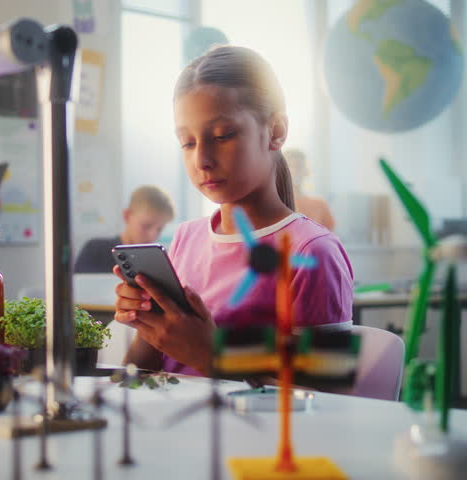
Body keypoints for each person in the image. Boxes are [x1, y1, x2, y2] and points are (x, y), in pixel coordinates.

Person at [113, 46, 354, 376]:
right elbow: (139, 373)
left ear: (276, 132)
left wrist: (213, 356)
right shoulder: (186, 237)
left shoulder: (313, 253)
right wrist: (151, 323)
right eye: (187, 142)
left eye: (222, 135)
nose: (202, 160)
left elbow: (325, 397)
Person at [74, 185, 175, 273]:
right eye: (146, 225)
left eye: (159, 229)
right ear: (127, 216)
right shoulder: (95, 250)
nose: (153, 235)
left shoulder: (159, 262)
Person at [284, 148, 336, 231]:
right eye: (289, 166)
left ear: (306, 171)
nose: (294, 170)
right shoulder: (276, 204)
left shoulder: (320, 204)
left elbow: (329, 238)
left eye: (298, 166)